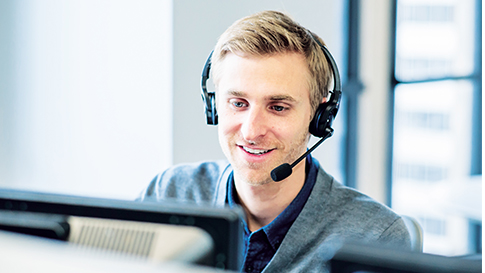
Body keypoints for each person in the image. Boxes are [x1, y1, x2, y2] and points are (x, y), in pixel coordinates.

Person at [139, 10, 411, 273]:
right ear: (214, 106)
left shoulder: (375, 236)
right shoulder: (170, 193)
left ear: (318, 116)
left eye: (278, 107)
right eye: (238, 103)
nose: (251, 132)